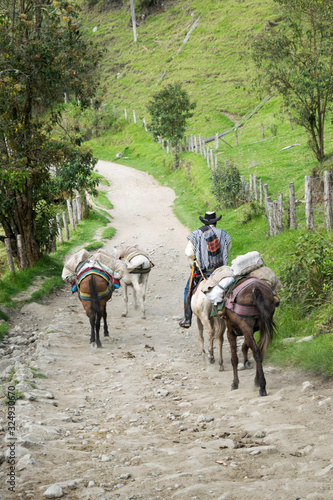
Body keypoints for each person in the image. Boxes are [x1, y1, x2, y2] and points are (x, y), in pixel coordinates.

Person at [179, 211, 231, 328]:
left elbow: (188, 253)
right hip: (220, 271)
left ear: (205, 222)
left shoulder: (196, 234)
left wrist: (196, 258)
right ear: (216, 221)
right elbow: (227, 251)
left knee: (188, 290)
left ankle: (187, 318)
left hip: (202, 271)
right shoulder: (224, 235)